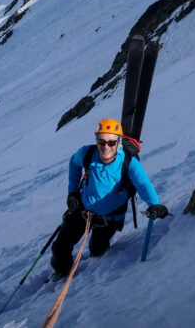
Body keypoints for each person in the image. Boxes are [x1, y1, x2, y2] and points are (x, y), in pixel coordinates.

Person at [50, 118, 168, 276]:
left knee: (97, 249)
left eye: (111, 143)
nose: (106, 147)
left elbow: (143, 183)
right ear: (96, 140)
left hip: (110, 217)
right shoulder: (87, 153)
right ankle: (61, 273)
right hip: (82, 210)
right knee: (60, 247)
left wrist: (154, 204)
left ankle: (95, 253)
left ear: (118, 141)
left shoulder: (128, 163)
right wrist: (72, 193)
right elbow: (74, 163)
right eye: (101, 142)